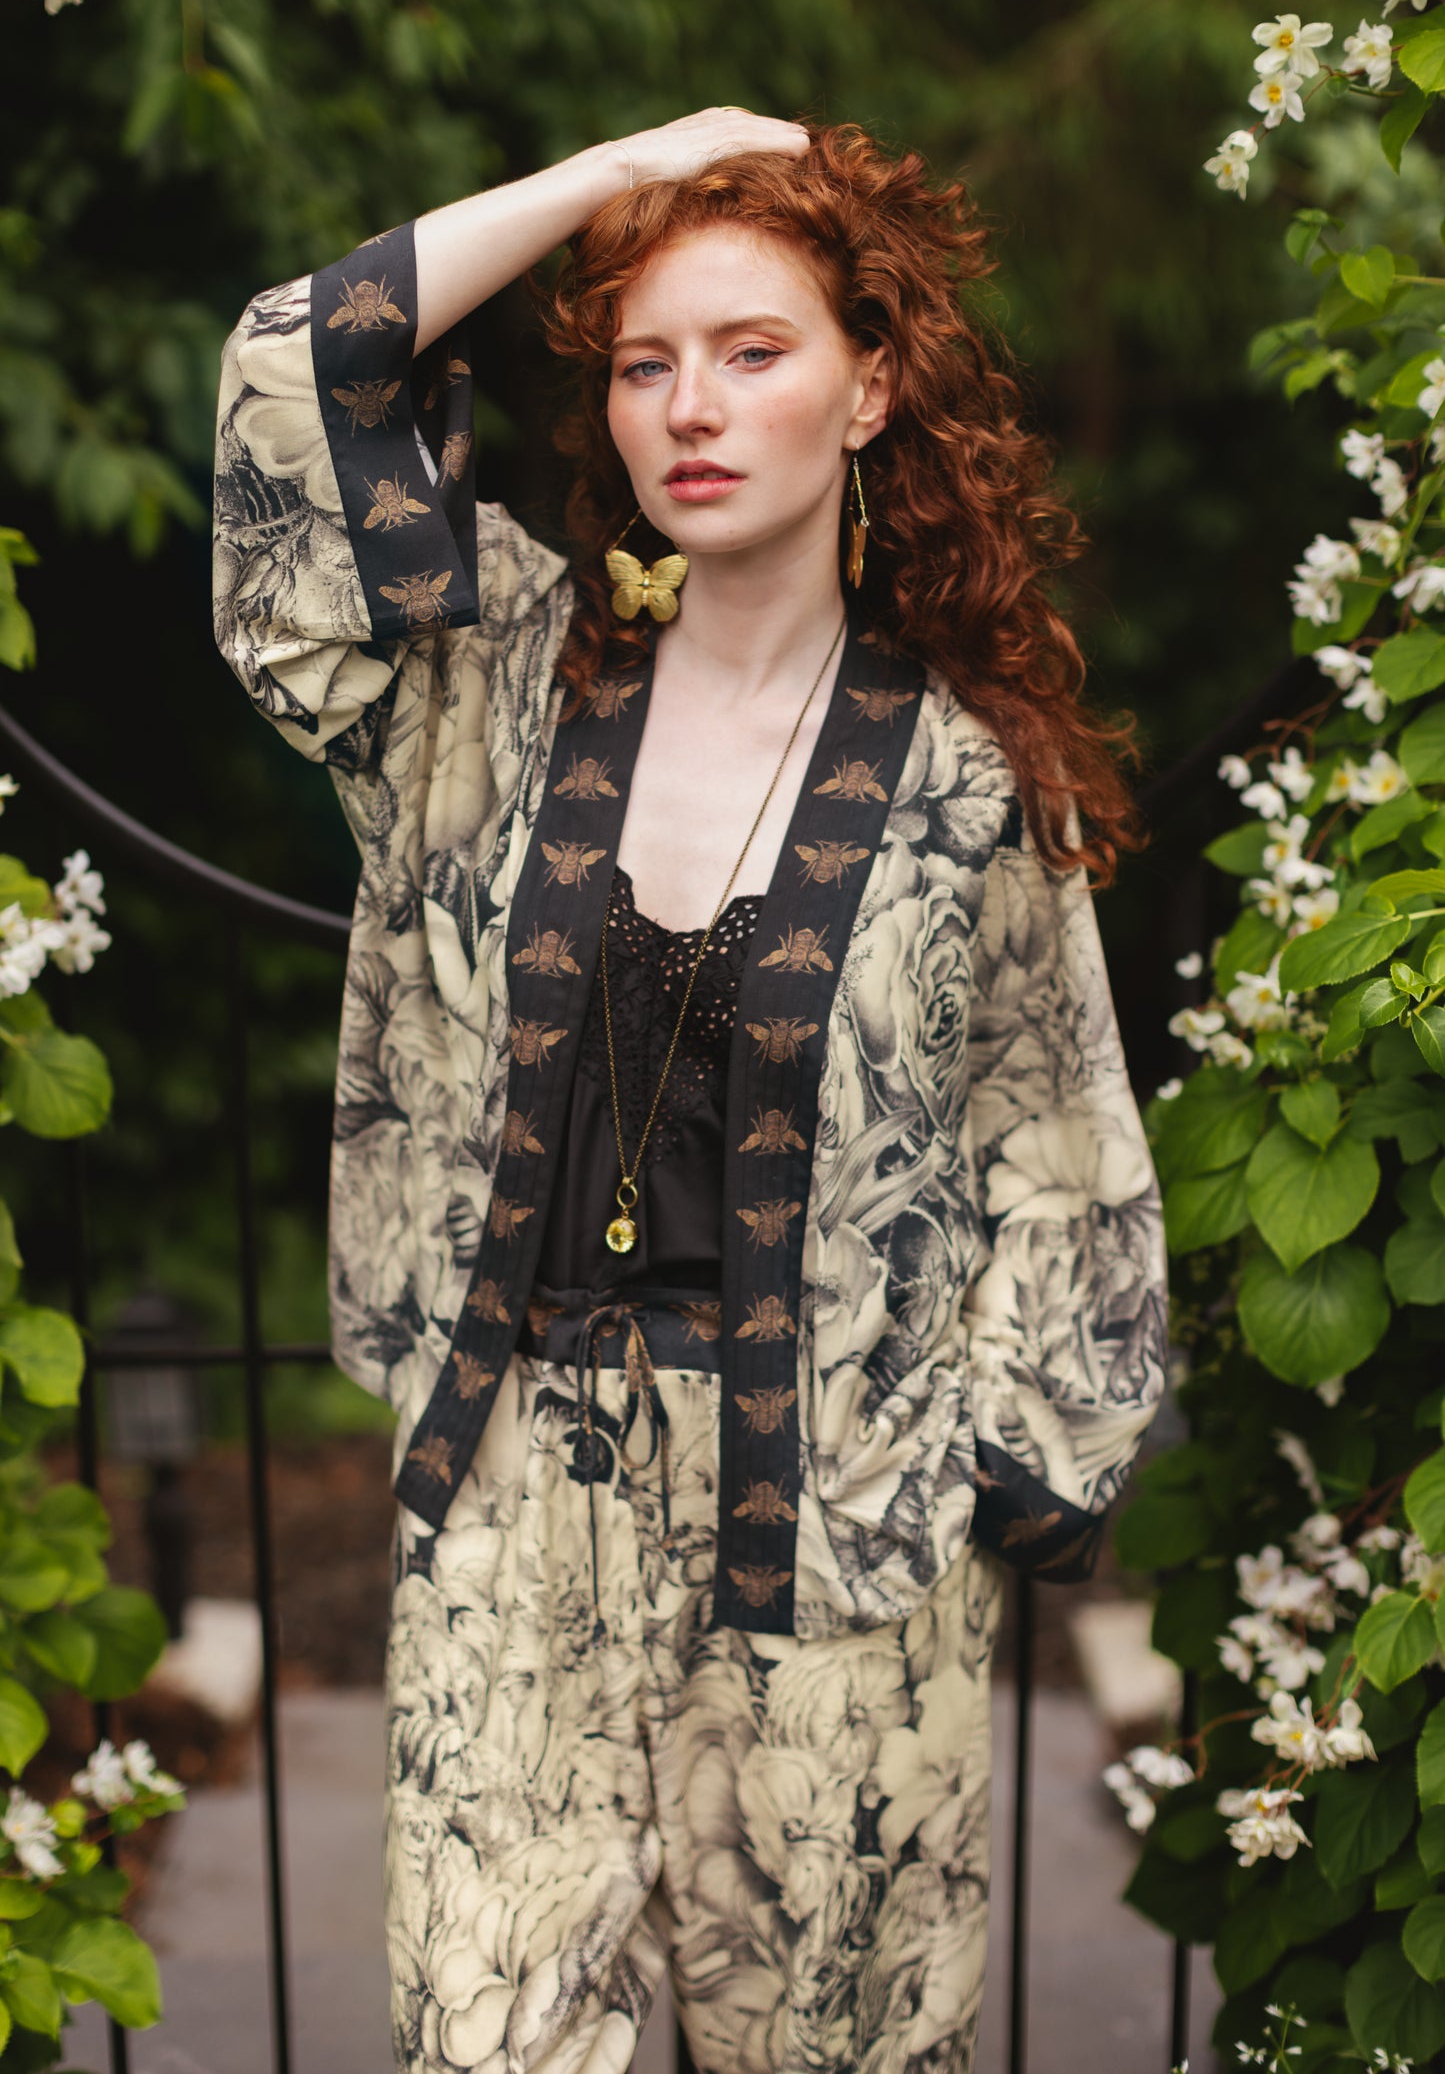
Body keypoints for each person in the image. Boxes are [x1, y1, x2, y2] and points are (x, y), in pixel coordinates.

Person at [213, 110, 1168, 2074]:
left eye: (754, 349)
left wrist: (950, 1477)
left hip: (838, 1550)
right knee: (492, 2044)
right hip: (512, 1518)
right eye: (645, 361)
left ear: (872, 384)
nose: (691, 407)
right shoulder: (483, 685)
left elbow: (1061, 1172)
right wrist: (615, 175)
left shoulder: (973, 783)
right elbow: (296, 375)